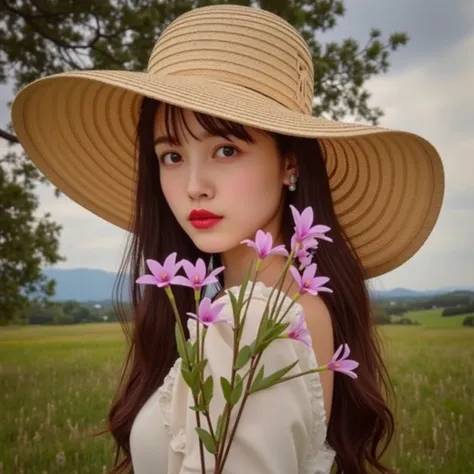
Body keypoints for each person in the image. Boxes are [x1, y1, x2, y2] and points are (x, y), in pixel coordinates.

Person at [11, 4, 444, 474]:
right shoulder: (272, 307)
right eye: (172, 155)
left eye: (225, 148)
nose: (195, 184)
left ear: (289, 164)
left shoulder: (255, 321)